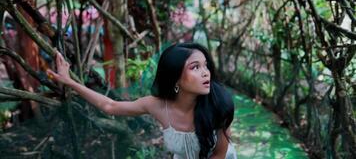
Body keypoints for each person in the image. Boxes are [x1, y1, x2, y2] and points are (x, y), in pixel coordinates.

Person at [47, 42, 237, 159]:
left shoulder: (219, 104)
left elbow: (219, 155)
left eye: (205, 66)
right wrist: (69, 82)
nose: (206, 72)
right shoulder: (157, 105)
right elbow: (110, 105)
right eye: (195, 67)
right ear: (175, 78)